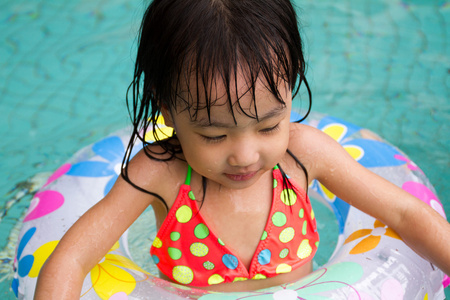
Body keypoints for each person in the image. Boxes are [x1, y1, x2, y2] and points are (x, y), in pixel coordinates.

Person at [34, 0, 450, 298]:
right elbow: (70, 260)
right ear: (167, 109)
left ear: (291, 87)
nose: (245, 155)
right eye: (214, 135)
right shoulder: (158, 173)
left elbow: (405, 213)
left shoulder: (305, 155)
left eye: (269, 126)